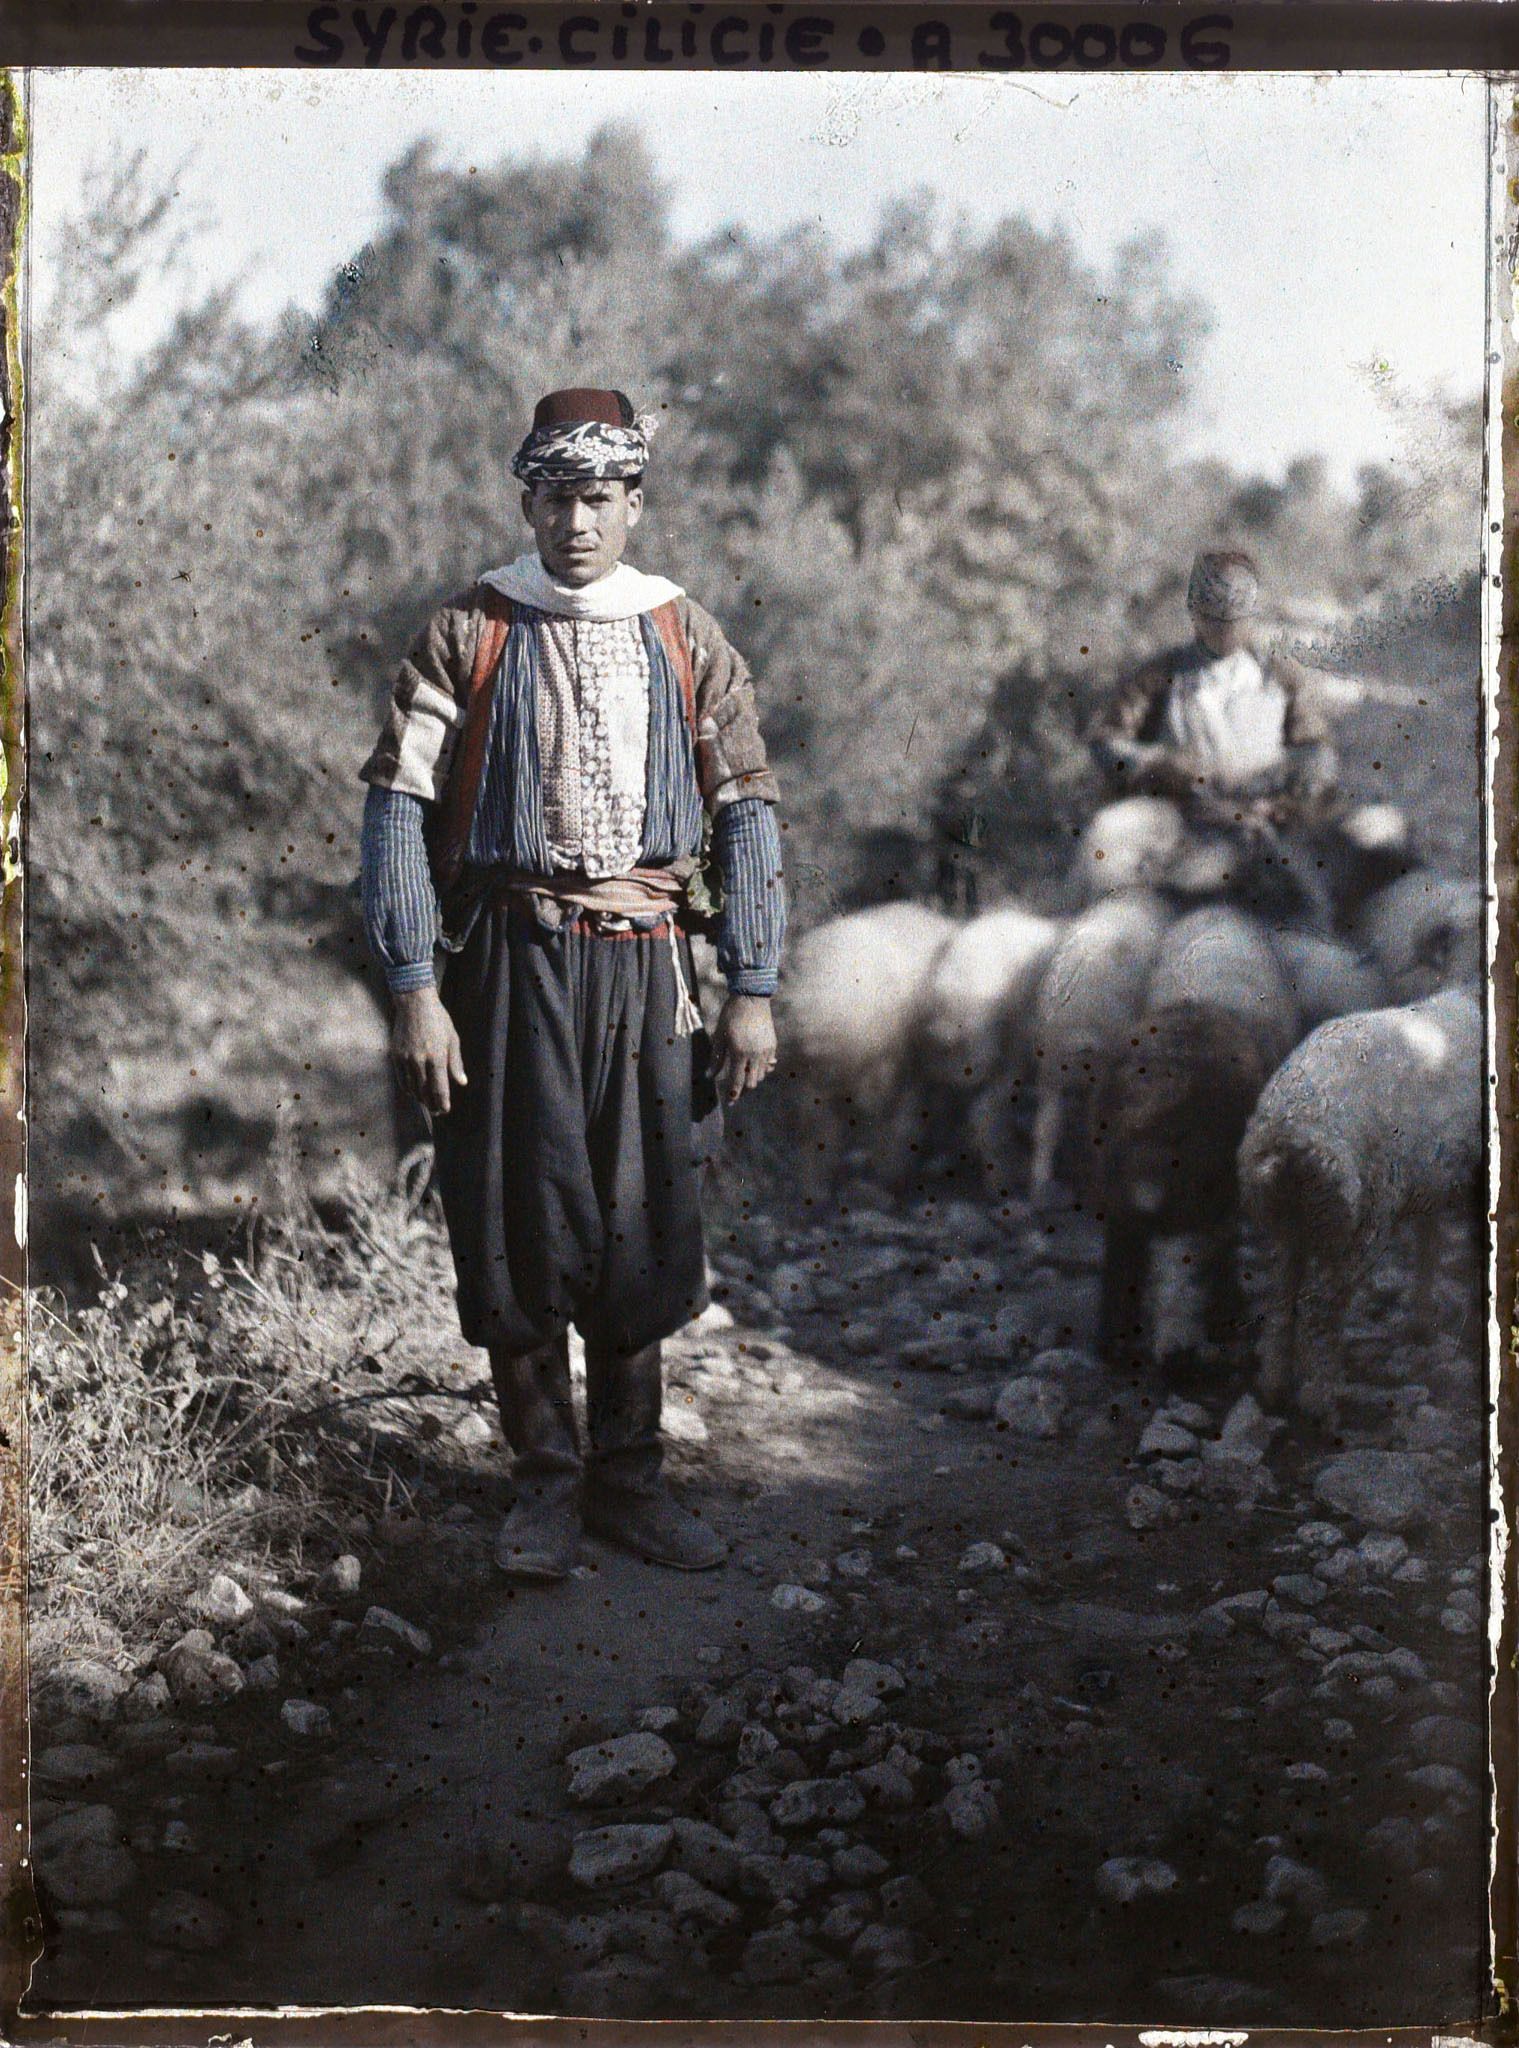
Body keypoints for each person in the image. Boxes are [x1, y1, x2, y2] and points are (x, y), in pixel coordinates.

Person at [358, 387, 785, 1582]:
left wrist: (751, 980)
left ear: (634, 504)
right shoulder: (468, 629)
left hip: (648, 967)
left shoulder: (685, 635)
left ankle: (631, 1481)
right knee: (516, 1214)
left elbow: (746, 809)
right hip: (506, 961)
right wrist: (412, 982)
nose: (577, 523)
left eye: (599, 498)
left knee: (639, 1216)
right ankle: (543, 1483)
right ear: (528, 502)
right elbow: (397, 807)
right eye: (555, 498)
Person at [1089, 548, 1340, 927]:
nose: (1226, 632)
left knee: (1310, 900)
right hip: (1180, 816)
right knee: (1119, 867)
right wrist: (1158, 762)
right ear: (1194, 615)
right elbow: (1106, 741)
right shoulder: (1161, 676)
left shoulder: (1280, 678)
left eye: (1236, 621)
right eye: (1215, 621)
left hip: (1264, 815)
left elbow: (1317, 750)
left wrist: (1291, 790)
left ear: (1252, 618)